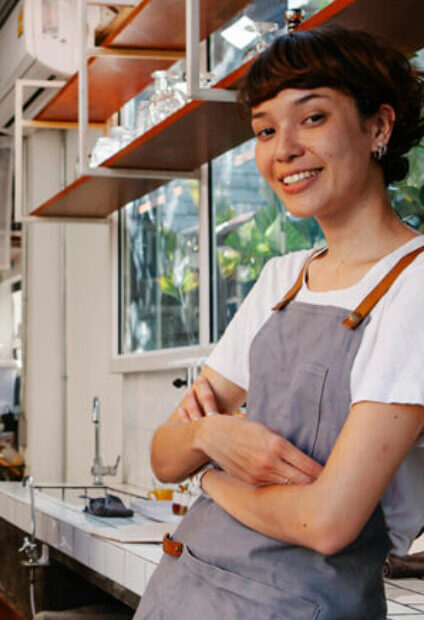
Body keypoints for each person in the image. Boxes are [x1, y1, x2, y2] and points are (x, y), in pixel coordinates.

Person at [135, 25, 424, 620]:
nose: (282, 148)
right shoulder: (282, 278)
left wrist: (210, 479)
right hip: (181, 590)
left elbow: (325, 522)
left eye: (311, 117)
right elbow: (165, 456)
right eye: (265, 129)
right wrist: (210, 437)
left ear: (379, 127)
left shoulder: (413, 285)